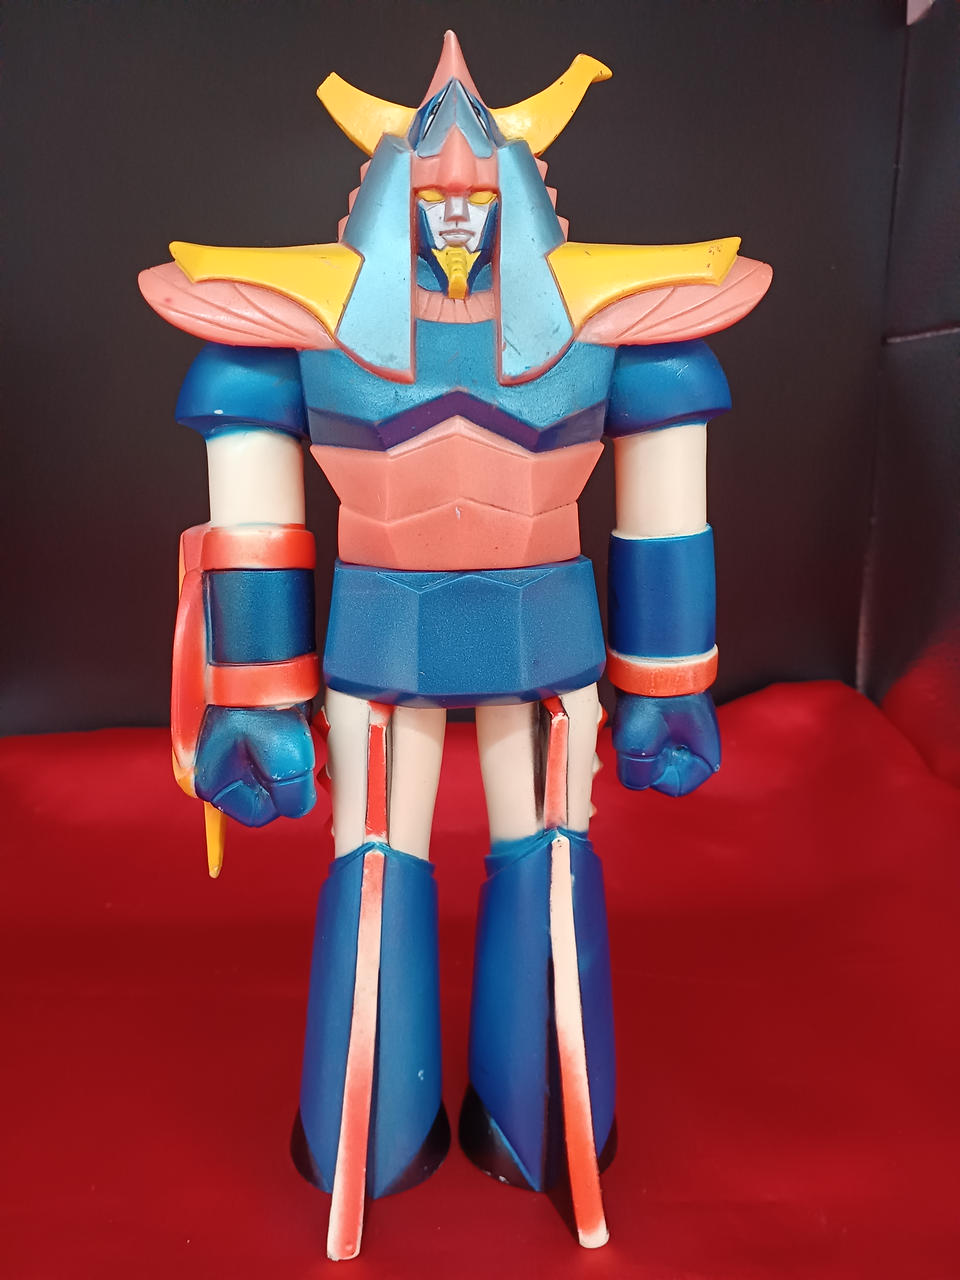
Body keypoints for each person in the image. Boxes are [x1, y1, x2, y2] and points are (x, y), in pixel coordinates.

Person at [139, 31, 771, 1260]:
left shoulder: (608, 318)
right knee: (379, 859)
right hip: (388, 637)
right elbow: (252, 506)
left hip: (542, 635)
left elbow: (664, 501)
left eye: (482, 188)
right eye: (429, 185)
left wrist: (667, 681)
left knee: (544, 856)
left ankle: (527, 1127)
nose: (456, 193)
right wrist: (255, 694)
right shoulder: (307, 324)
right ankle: (379, 1135)